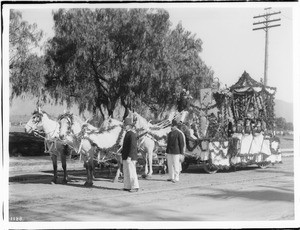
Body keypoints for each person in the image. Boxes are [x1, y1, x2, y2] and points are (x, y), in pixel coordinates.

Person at [121, 117, 139, 192]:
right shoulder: (127, 133)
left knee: (132, 172)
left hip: (130, 157)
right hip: (125, 156)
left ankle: (135, 186)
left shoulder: (132, 134)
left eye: (125, 125)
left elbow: (133, 147)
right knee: (126, 172)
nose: (124, 126)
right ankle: (127, 186)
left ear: (129, 125)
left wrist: (129, 156)